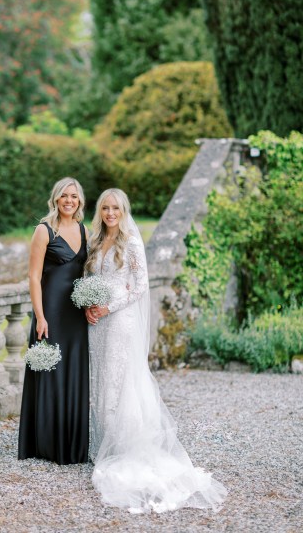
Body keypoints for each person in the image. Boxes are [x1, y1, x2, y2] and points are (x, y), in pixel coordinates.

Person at [85, 188, 227, 513]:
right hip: (96, 324)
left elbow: (140, 286)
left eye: (115, 208)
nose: (110, 213)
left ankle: (121, 450)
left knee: (118, 384)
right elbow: (89, 281)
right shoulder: (95, 242)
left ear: (123, 210)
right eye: (105, 208)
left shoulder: (131, 243)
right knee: (99, 382)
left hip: (119, 322)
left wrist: (109, 307)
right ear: (100, 211)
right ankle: (100, 446)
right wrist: (88, 306)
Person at [18, 177, 89, 464]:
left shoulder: (85, 230)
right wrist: (40, 316)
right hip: (51, 312)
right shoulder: (44, 230)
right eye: (64, 196)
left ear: (80, 201)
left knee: (73, 370)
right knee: (50, 371)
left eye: (74, 196)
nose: (69, 201)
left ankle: (72, 443)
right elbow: (34, 277)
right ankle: (46, 444)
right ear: (56, 199)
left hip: (75, 314)